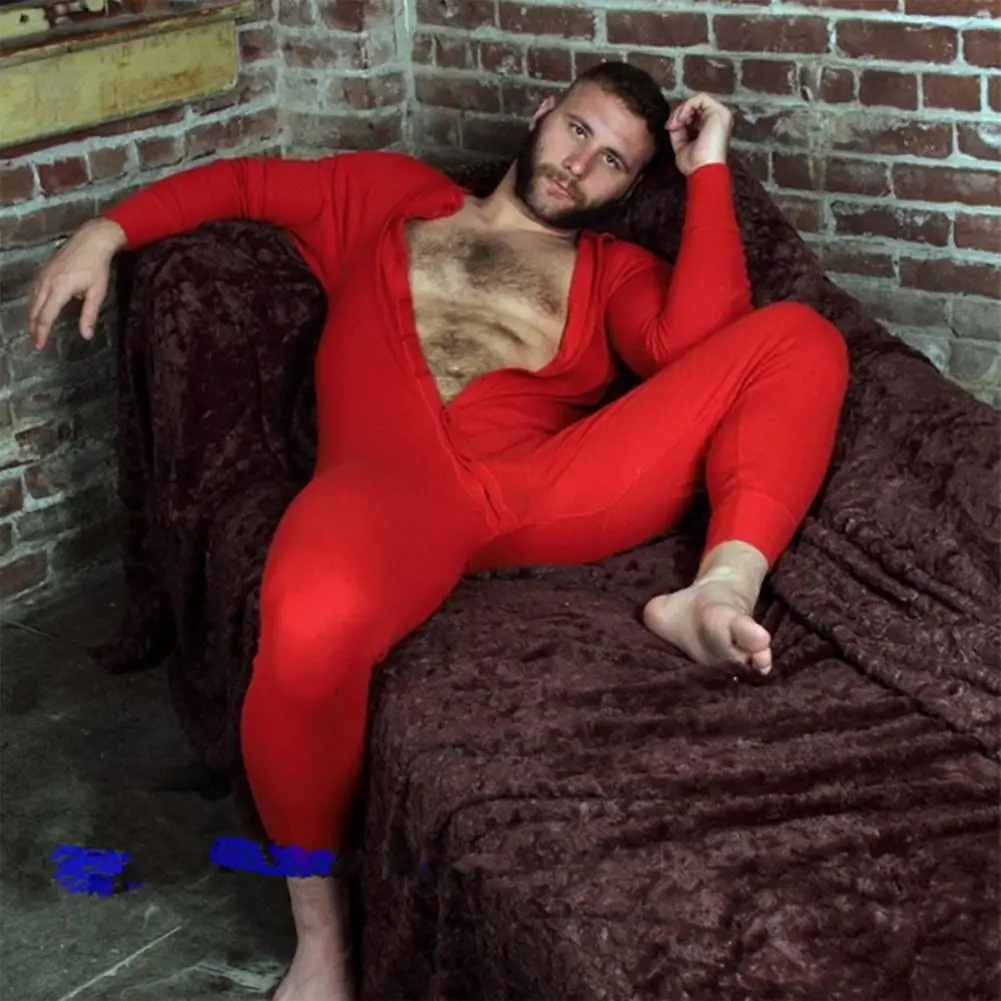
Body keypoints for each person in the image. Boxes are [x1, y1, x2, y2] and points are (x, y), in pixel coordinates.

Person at [28, 61, 849, 1001]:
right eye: (578, 131)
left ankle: (716, 589)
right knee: (307, 625)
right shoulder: (390, 197)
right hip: (389, 485)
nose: (581, 165)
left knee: (800, 338)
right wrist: (106, 230)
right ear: (541, 113)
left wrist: (707, 168)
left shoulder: (612, 271)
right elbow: (250, 183)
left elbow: (705, 338)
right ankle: (324, 945)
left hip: (537, 488)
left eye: (614, 162)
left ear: (628, 188)